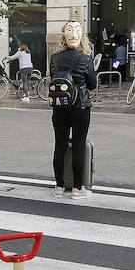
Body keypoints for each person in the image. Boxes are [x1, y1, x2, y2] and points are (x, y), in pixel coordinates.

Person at [49, 20, 98, 199]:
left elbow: (52, 78)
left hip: (59, 106)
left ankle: (59, 187)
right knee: (78, 146)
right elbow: (92, 85)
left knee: (59, 146)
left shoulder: (54, 58)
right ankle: (78, 189)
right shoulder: (85, 58)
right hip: (80, 106)